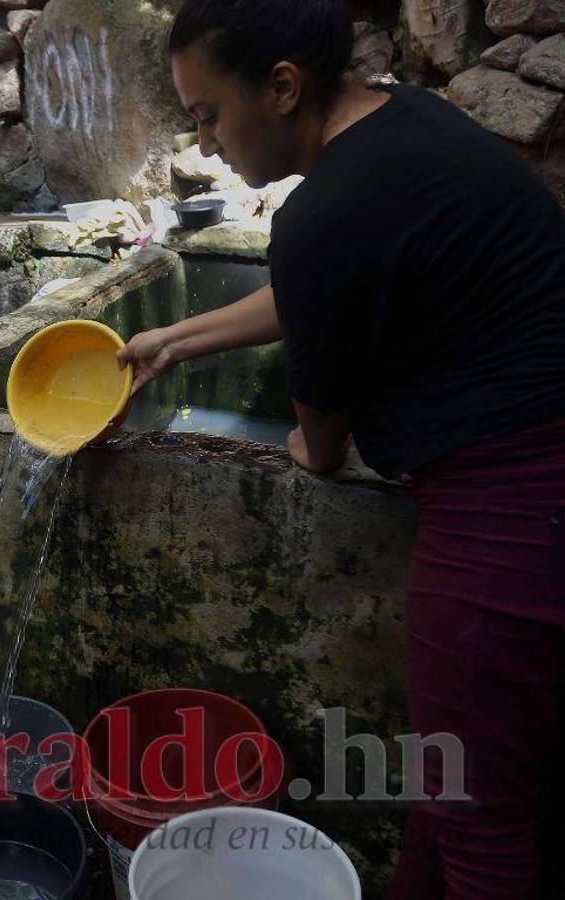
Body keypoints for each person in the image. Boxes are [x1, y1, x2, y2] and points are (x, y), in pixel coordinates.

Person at [117, 1, 565, 897]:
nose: (203, 145)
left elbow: (318, 446)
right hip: (538, 474)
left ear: (282, 87)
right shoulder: (409, 125)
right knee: (458, 788)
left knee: (483, 821)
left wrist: (294, 437)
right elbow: (327, 287)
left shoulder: (325, 211)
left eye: (207, 115)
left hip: (515, 509)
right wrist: (174, 340)